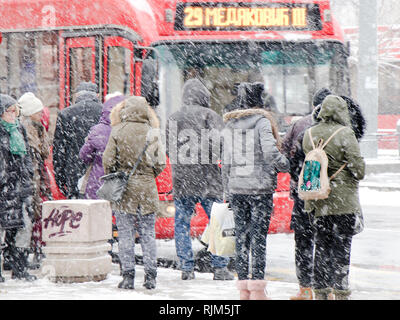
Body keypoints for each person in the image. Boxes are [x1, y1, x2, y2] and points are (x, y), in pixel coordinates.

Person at [221, 82, 289, 300]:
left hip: (237, 189)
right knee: (259, 239)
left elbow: (227, 162)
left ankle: (243, 291)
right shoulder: (261, 122)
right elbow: (270, 152)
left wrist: (227, 191)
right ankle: (258, 292)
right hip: (260, 189)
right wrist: (285, 163)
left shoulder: (230, 125)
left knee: (241, 238)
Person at [166, 78, 234, 281]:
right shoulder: (211, 116)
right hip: (208, 179)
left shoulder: (174, 118)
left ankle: (186, 268)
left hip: (182, 180)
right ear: (204, 96)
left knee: (182, 224)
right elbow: (223, 146)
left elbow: (169, 149)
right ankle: (220, 268)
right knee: (218, 222)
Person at [302, 95, 365, 300]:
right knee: (342, 247)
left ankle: (320, 291)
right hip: (343, 201)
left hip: (318, 200)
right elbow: (358, 169)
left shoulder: (308, 134)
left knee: (321, 246)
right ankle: (340, 290)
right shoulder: (345, 133)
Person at [102, 96, 166, 290]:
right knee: (148, 233)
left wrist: (115, 174)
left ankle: (128, 275)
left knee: (126, 233)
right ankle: (151, 275)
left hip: (125, 189)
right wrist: (148, 174)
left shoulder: (118, 131)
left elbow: (107, 160)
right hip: (147, 188)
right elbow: (160, 163)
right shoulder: (152, 132)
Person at [281, 87, 332, 300]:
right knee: (326, 241)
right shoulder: (337, 128)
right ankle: (326, 289)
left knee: (303, 241)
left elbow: (284, 154)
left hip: (302, 193)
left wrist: (298, 173)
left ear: (313, 105)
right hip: (328, 194)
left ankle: (305, 289)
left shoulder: (298, 125)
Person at [0, 94, 36, 282]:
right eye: (10, 111)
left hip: (20, 188)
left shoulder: (18, 129)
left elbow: (27, 155)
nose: (14, 115)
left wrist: (27, 175)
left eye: (15, 111)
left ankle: (20, 269)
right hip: (4, 189)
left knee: (22, 229)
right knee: (2, 231)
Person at [18, 92, 52, 269]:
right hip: (30, 181)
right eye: (38, 111)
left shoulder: (38, 128)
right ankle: (25, 254)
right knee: (28, 217)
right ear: (30, 113)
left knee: (36, 215)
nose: (42, 114)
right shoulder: (24, 130)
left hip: (37, 179)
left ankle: (36, 250)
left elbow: (45, 152)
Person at [52, 82, 102, 199]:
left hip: (73, 171)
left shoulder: (65, 114)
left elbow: (59, 150)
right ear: (97, 95)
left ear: (77, 95)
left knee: (78, 210)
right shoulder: (106, 113)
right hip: (99, 171)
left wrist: (60, 178)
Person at [79, 93, 126, 200]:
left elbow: (84, 155)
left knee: (97, 214)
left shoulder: (98, 130)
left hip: (98, 180)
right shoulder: (129, 130)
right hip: (122, 184)